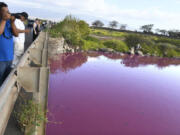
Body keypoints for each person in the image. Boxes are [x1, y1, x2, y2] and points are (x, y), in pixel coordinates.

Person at [0, 2, 19, 86]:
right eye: (4, 11)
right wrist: (4, 20)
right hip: (0, 59)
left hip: (9, 57)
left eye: (8, 11)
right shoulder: (3, 21)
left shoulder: (8, 22)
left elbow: (16, 34)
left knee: (5, 80)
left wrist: (12, 22)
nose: (7, 13)